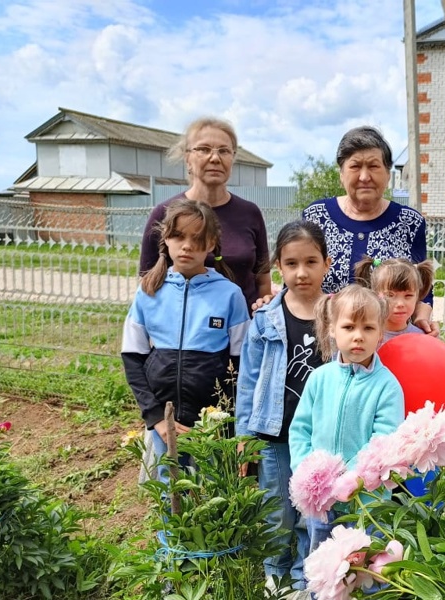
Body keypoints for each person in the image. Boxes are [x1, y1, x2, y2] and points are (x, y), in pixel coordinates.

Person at [122, 200, 250, 480]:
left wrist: (237, 427)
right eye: (178, 236)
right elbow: (132, 357)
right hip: (166, 424)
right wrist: (155, 417)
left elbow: (243, 368)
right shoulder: (148, 292)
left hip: (215, 424)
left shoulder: (230, 295)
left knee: (215, 492)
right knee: (171, 493)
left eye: (198, 238)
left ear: (212, 244)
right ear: (165, 239)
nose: (187, 245)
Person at [235, 220, 330, 592]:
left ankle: (304, 578)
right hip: (275, 434)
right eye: (291, 264)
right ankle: (275, 574)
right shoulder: (265, 318)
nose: (301, 272)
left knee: (313, 511)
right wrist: (245, 435)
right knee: (277, 511)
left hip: (321, 435)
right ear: (278, 265)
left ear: (326, 262)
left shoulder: (338, 314)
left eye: (310, 262)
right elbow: (248, 382)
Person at [288, 285, 405, 552]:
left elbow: (383, 442)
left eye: (368, 328)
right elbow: (301, 430)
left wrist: (350, 478)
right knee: (322, 562)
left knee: (363, 565)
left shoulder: (387, 386)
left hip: (366, 501)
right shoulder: (320, 378)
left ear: (380, 335)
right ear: (332, 329)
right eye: (349, 327)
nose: (358, 337)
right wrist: (306, 471)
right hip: (323, 501)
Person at [301, 125, 439, 336]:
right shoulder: (315, 217)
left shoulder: (409, 222)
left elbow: (421, 289)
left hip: (388, 348)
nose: (364, 176)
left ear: (387, 173)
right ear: (341, 173)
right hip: (321, 342)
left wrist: (422, 319)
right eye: (355, 166)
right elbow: (296, 283)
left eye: (373, 166)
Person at [139, 116, 272, 310]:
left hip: (242, 332)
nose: (215, 158)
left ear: (232, 158)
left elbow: (263, 281)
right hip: (183, 333)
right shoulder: (165, 213)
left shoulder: (250, 213)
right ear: (187, 158)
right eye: (204, 149)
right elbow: (147, 282)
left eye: (224, 151)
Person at [353, 256, 435, 345]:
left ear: (417, 296)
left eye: (408, 295)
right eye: (390, 295)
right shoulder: (364, 338)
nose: (400, 304)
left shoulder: (424, 339)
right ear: (375, 295)